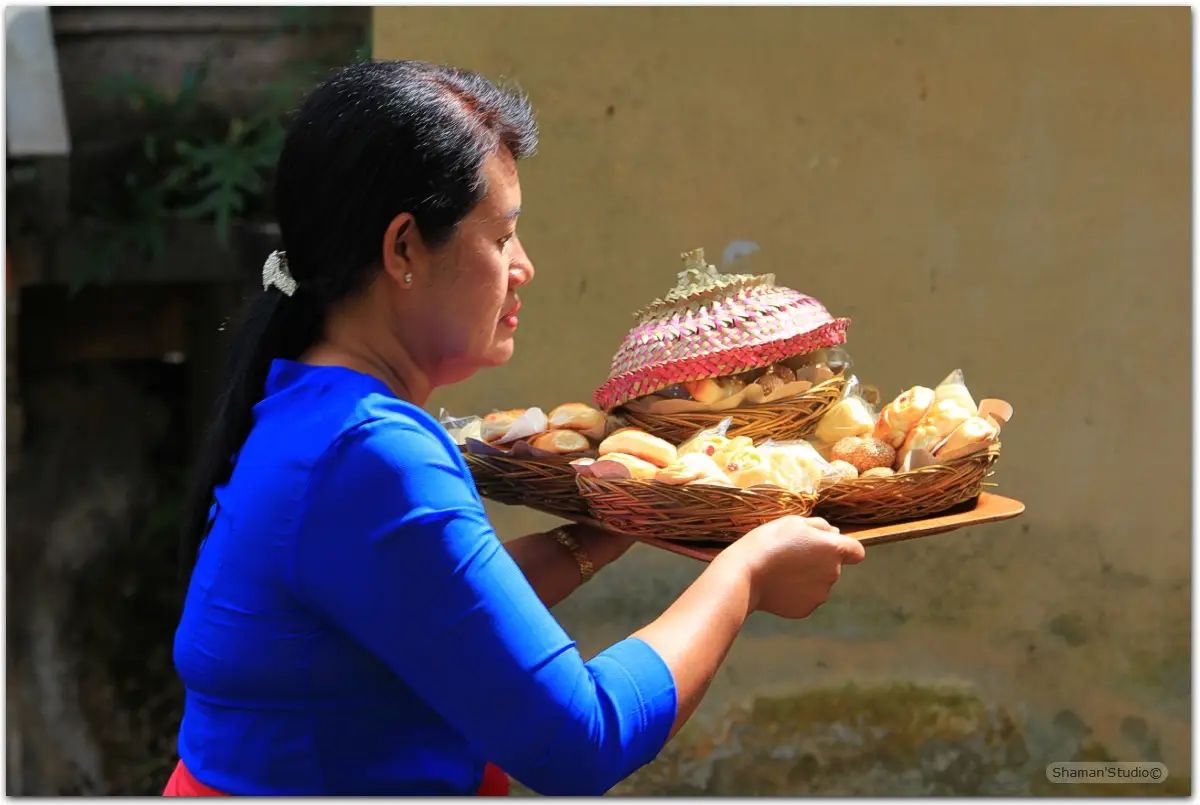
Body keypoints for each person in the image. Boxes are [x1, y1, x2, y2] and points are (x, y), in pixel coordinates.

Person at [165, 59, 866, 797]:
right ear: (404, 249)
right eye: (502, 238)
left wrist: (609, 527)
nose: (523, 267)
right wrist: (744, 575)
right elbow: (582, 741)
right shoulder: (372, 451)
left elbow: (434, 611)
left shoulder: (307, 406)